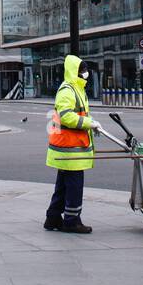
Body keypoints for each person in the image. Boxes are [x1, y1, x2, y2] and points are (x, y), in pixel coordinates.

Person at [43, 54, 100, 233]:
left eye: (85, 69)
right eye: (82, 70)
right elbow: (67, 116)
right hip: (70, 149)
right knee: (74, 186)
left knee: (63, 185)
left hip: (68, 148)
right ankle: (72, 220)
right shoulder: (68, 90)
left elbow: (78, 114)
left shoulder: (77, 89)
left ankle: (52, 218)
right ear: (74, 71)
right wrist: (89, 123)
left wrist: (91, 123)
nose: (86, 73)